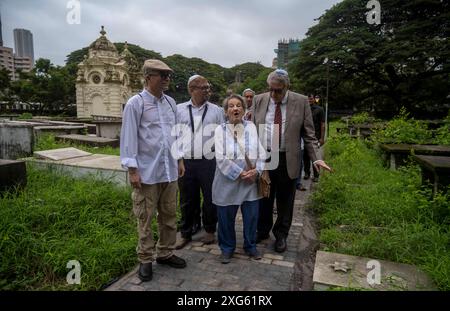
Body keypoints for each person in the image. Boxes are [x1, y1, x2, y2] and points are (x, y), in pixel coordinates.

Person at [250, 69, 331, 253]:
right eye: (270, 89)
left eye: (278, 90)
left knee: (285, 200)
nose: (273, 94)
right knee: (264, 196)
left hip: (288, 157)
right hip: (265, 156)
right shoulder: (259, 99)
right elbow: (251, 129)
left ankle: (281, 235)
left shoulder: (301, 101)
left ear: (287, 87)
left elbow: (309, 135)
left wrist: (317, 159)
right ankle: (262, 231)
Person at [120, 59, 187, 282]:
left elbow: (175, 134)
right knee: (145, 217)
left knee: (169, 215)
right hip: (147, 171)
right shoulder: (135, 103)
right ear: (148, 77)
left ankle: (166, 252)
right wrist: (132, 169)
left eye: (168, 75)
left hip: (169, 170)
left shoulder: (170, 103)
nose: (167, 79)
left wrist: (179, 160)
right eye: (162, 75)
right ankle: (145, 258)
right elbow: (128, 138)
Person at [213, 94, 267, 264]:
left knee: (251, 217)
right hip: (227, 182)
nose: (235, 108)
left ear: (244, 109)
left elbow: (261, 153)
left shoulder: (251, 127)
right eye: (231, 106)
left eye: (239, 105)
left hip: (250, 183)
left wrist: (256, 171)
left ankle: (250, 246)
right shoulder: (220, 130)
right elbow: (221, 157)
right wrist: (240, 173)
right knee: (225, 218)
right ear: (226, 111)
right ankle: (227, 248)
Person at [175, 75, 225, 250]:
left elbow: (222, 135)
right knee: (187, 198)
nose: (207, 91)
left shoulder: (217, 111)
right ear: (191, 89)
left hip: (209, 161)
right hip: (185, 162)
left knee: (211, 197)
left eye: (208, 87)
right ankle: (186, 232)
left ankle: (210, 229)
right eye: (203, 88)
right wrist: (178, 159)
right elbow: (175, 136)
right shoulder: (179, 109)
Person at [303, 94, 325, 183]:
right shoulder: (303, 109)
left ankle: (316, 175)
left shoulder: (319, 109)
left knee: (315, 156)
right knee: (305, 157)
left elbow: (322, 124)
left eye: (311, 99)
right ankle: (307, 173)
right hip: (304, 136)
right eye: (308, 99)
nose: (309, 100)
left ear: (314, 100)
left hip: (315, 136)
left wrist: (322, 138)